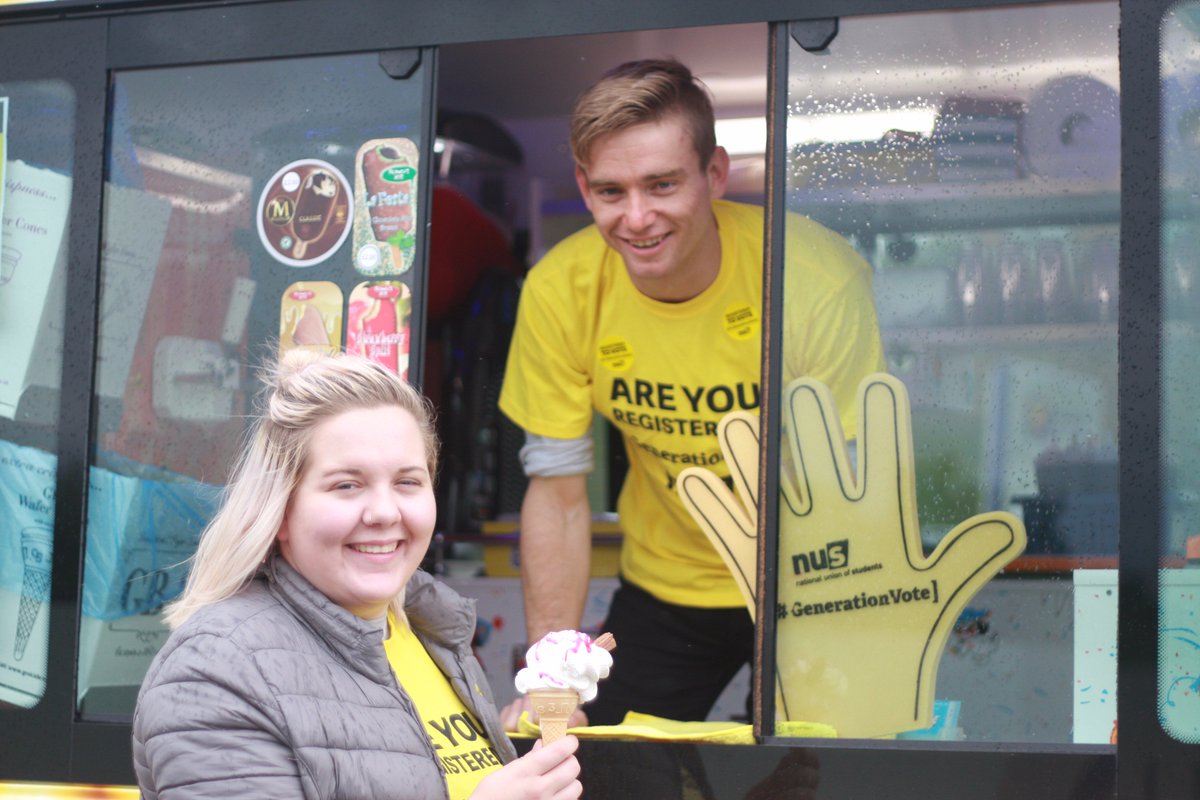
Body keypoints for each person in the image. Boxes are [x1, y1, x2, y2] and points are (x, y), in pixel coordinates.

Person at [498, 58, 885, 728]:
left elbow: (850, 483)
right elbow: (558, 496)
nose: (638, 218)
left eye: (662, 184)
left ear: (714, 175)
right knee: (594, 766)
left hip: (809, 588)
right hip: (666, 591)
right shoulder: (561, 289)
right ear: (585, 190)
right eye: (612, 191)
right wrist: (554, 680)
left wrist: (838, 648)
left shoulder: (814, 277)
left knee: (816, 772)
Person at [132, 350, 582, 800]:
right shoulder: (214, 670)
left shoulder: (430, 632)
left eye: (408, 481)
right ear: (281, 510)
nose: (385, 512)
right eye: (347, 485)